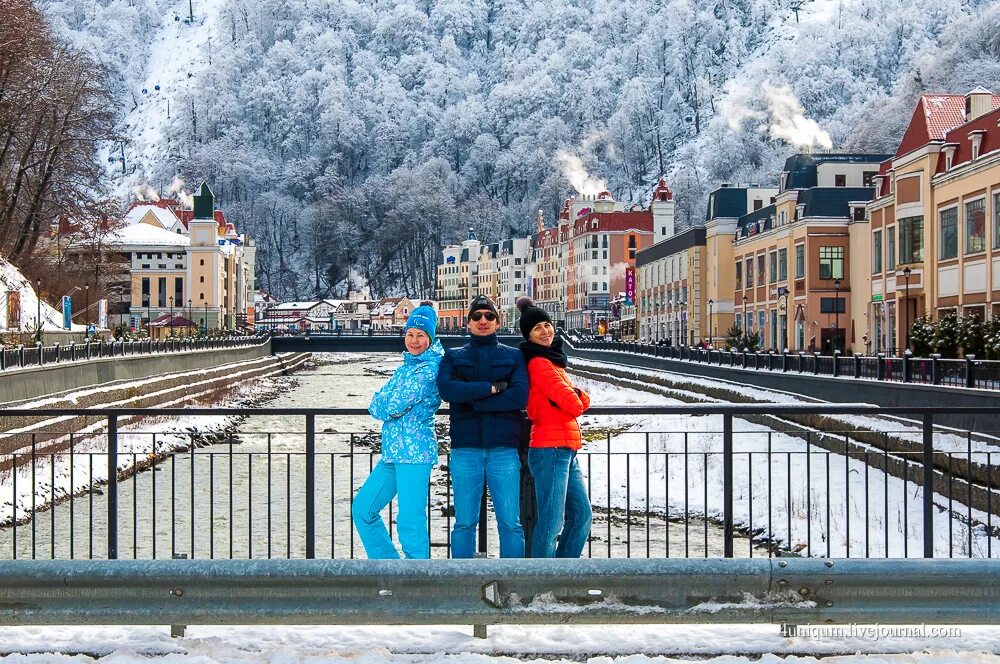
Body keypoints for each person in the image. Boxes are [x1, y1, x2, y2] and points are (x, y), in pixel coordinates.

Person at [437, 295, 528, 558]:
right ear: (468, 324)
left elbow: (519, 396)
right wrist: (490, 389)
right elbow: (447, 390)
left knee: (510, 524)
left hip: (504, 449)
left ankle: (513, 582)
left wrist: (475, 402)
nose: (483, 320)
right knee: (464, 522)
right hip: (465, 449)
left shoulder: (514, 356)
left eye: (489, 316)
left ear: (498, 323)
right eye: (477, 317)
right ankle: (463, 583)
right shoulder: (453, 356)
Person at [352, 302, 443, 559]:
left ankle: (417, 584)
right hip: (392, 452)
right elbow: (379, 403)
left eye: (421, 335)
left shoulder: (429, 369)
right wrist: (385, 403)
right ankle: (389, 567)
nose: (414, 341)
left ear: (430, 338)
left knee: (410, 522)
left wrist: (385, 403)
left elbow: (390, 405)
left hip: (414, 453)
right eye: (410, 334)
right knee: (362, 508)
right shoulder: (407, 366)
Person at [516, 296, 592, 558]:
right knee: (550, 524)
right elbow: (574, 404)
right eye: (537, 328)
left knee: (581, 517)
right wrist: (581, 395)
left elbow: (569, 400)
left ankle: (562, 575)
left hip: (565, 449)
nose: (545, 331)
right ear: (529, 336)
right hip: (551, 449)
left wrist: (574, 395)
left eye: (546, 325)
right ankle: (541, 583)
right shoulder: (539, 363)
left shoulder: (551, 361)